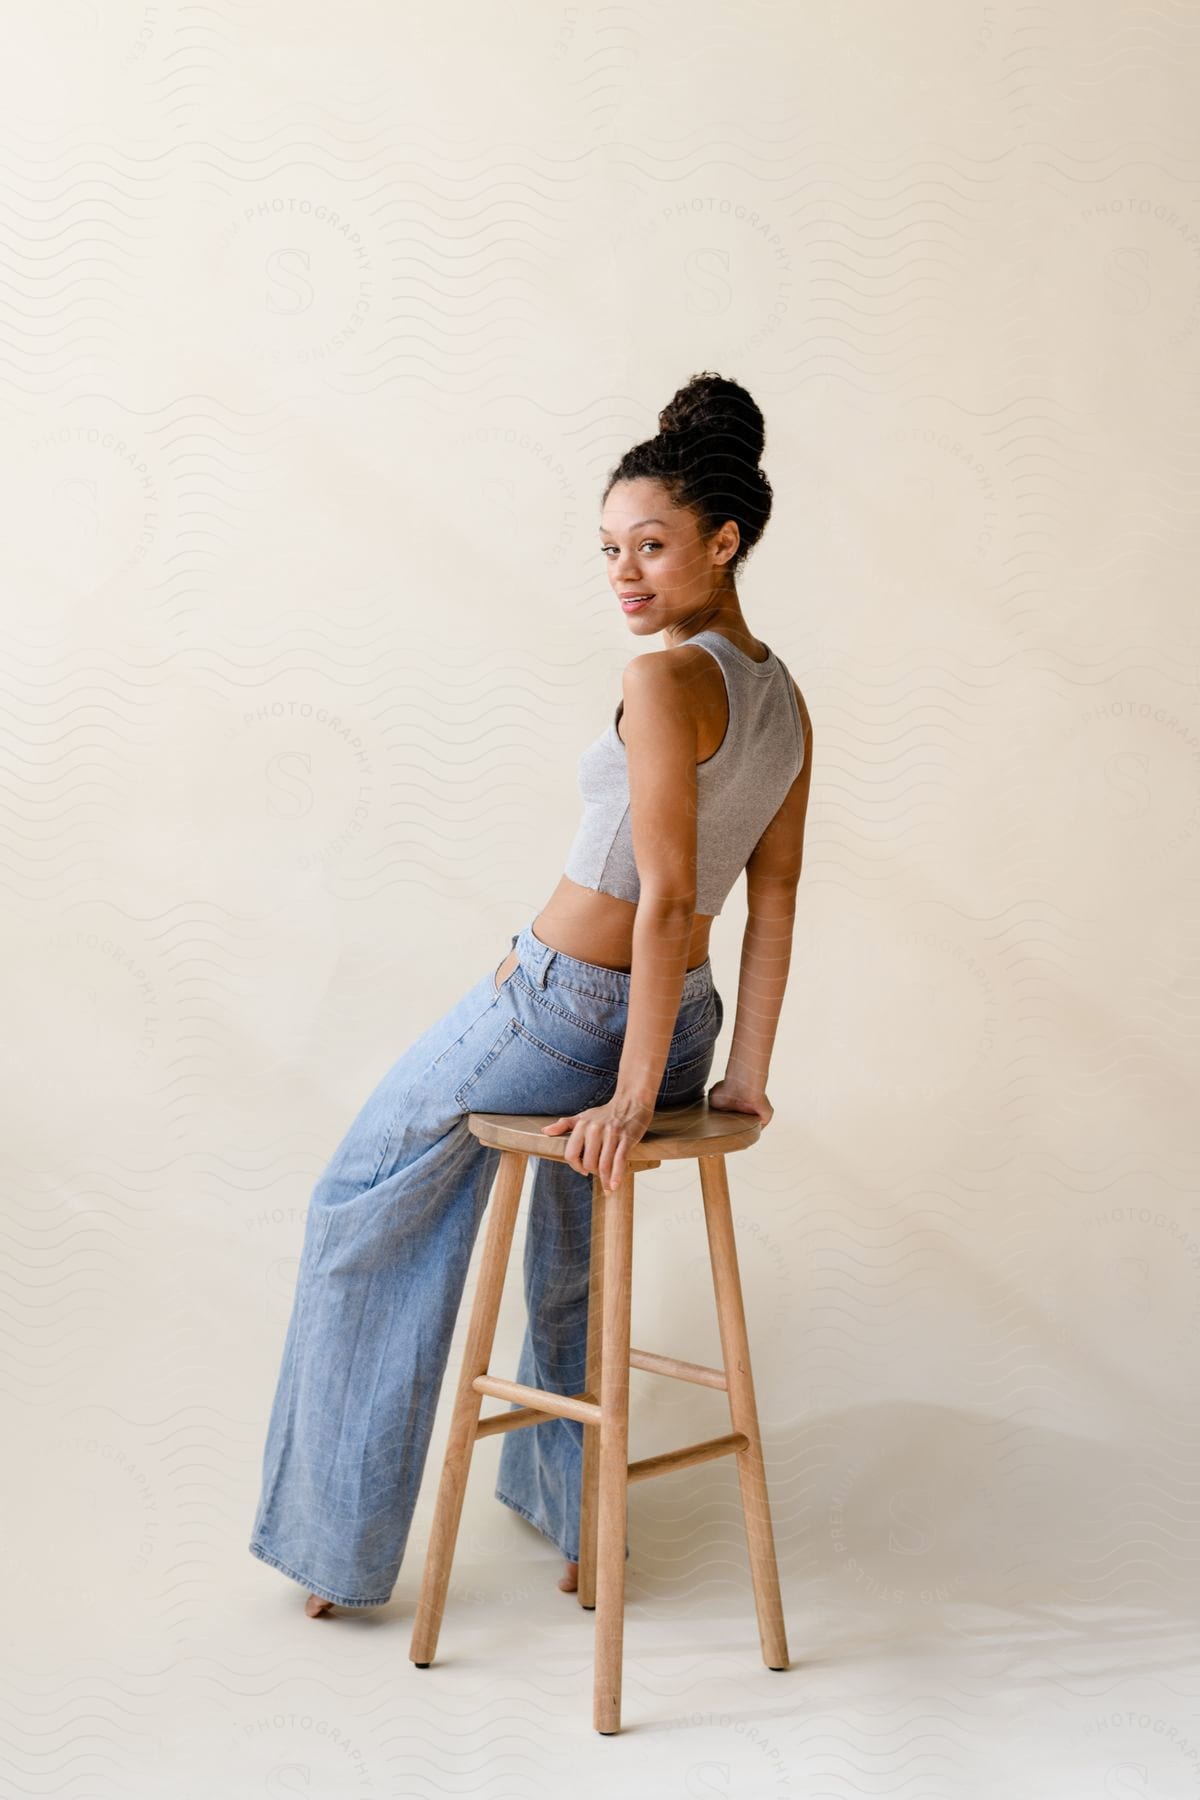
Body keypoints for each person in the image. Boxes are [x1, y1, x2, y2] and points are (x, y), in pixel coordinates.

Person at [247, 370, 815, 1617]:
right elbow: (767, 902)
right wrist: (742, 1075)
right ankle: (575, 1525)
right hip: (681, 1026)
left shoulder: (670, 680)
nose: (625, 573)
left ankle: (336, 1549)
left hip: (574, 1011)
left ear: (725, 543)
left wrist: (618, 1087)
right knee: (570, 1243)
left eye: (653, 547)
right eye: (610, 549)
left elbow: (665, 897)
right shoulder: (784, 696)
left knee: (358, 1200)